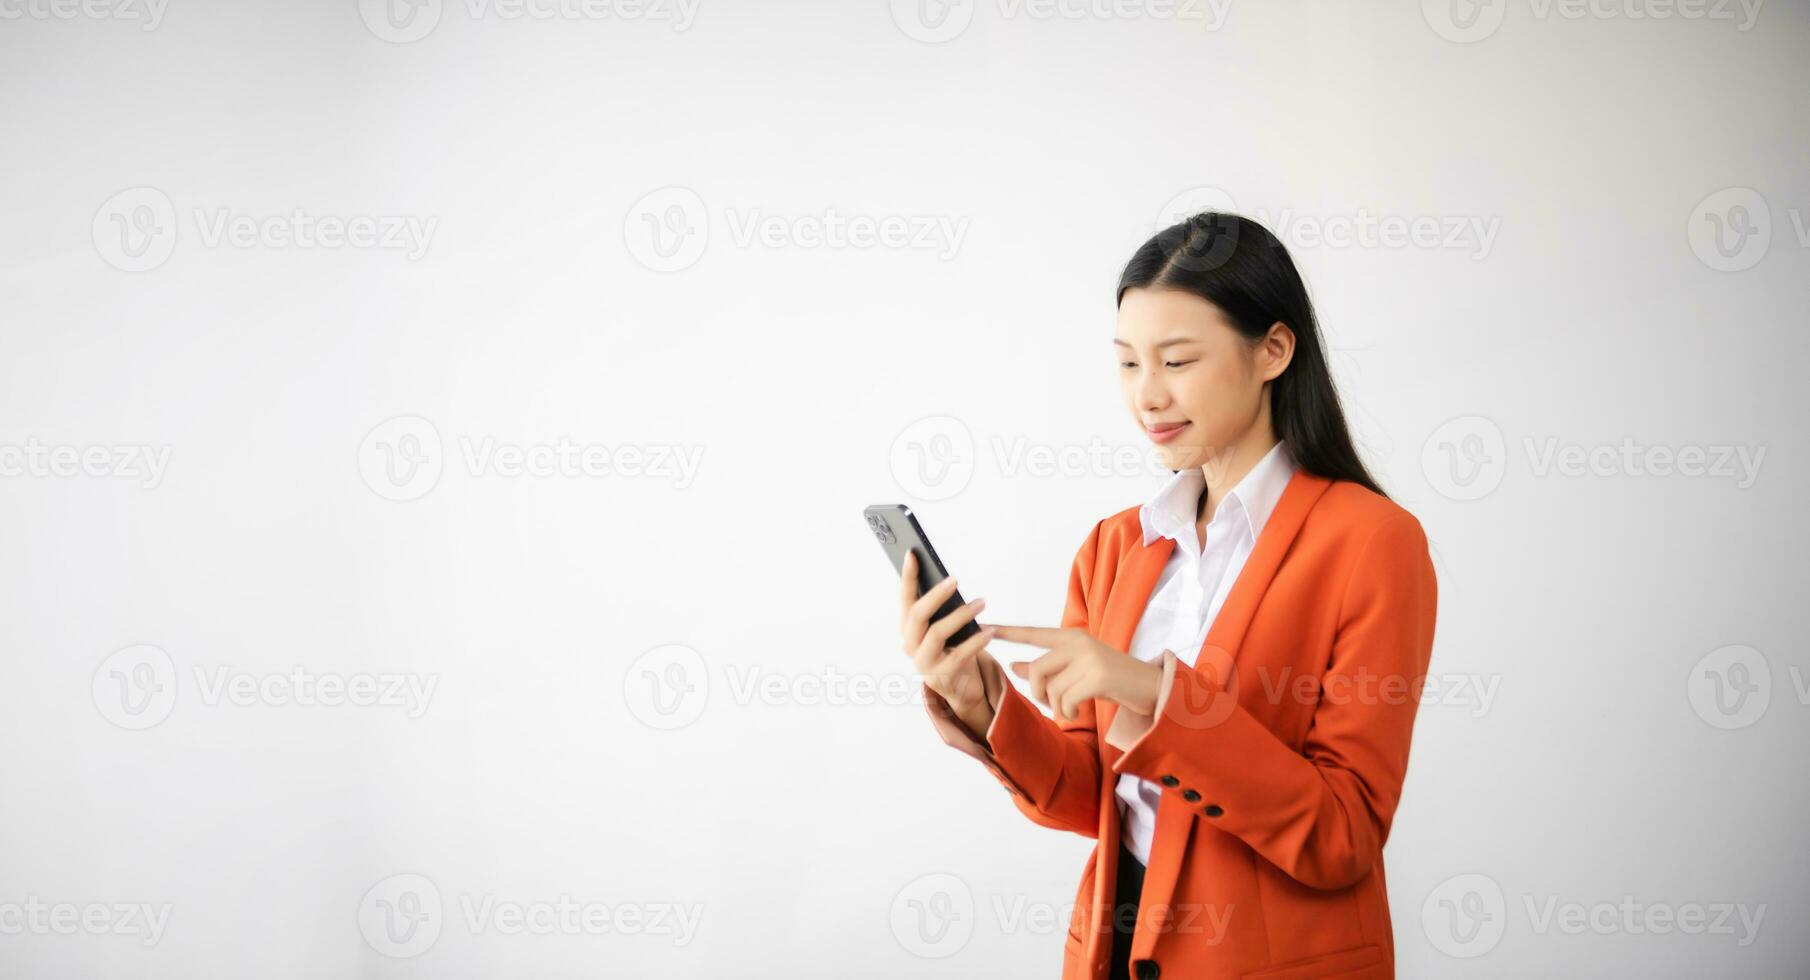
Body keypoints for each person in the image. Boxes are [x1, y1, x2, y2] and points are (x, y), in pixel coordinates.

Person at [898, 212, 1439, 980]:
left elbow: (1342, 835)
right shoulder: (1116, 548)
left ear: (1274, 351)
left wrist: (1154, 693)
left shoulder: (1372, 543)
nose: (1147, 396)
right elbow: (1095, 795)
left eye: (1177, 361)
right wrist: (986, 705)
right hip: (1118, 952)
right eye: (1127, 364)